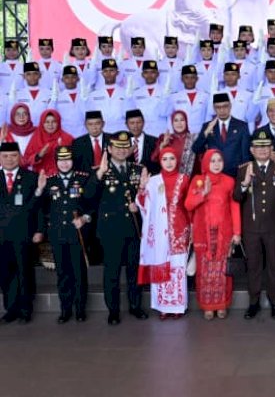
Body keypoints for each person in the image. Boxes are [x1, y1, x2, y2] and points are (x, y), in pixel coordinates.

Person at [89, 131, 148, 325]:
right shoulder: (100, 170)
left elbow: (148, 200)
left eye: (125, 147)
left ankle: (135, 306)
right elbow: (88, 197)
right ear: (110, 149)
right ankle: (113, 310)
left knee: (133, 271)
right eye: (118, 147)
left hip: (133, 229)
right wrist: (98, 175)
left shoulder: (138, 170)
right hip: (111, 230)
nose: (122, 151)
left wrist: (140, 202)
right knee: (112, 272)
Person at [233, 130, 275, 320]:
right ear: (252, 149)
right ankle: (253, 302)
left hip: (273, 227)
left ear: (271, 148)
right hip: (251, 228)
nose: (263, 150)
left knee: (274, 266)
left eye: (266, 146)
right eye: (258, 147)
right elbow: (236, 198)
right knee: (254, 266)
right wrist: (245, 183)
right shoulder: (244, 169)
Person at [185, 149, 241, 320]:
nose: (216, 164)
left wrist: (237, 232)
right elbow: (188, 205)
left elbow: (234, 207)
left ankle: (222, 304)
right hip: (204, 234)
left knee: (222, 271)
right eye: (212, 161)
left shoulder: (229, 181)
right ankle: (207, 306)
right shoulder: (198, 181)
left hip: (224, 233)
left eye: (219, 160)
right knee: (205, 271)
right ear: (206, 163)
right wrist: (203, 193)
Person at [135, 147, 191, 320]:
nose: (168, 162)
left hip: (179, 230)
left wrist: (193, 227)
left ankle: (178, 306)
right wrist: (142, 189)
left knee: (177, 269)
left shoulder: (185, 179)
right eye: (165, 159)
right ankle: (163, 306)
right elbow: (144, 204)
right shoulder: (153, 181)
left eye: (172, 158)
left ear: (177, 160)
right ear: (160, 161)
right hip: (159, 233)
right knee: (160, 266)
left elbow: (189, 206)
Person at [42, 146, 95, 323]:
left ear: (73, 161)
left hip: (77, 235)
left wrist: (85, 218)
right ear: (56, 162)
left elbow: (93, 205)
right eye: (61, 160)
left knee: (79, 273)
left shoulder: (83, 179)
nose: (64, 163)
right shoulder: (49, 181)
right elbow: (41, 208)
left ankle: (80, 309)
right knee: (63, 274)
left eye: (68, 159)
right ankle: (65, 310)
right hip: (58, 235)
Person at [0, 142, 43, 323]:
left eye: (13, 156)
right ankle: (11, 309)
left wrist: (40, 230)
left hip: (24, 233)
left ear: (20, 157)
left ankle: (26, 309)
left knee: (24, 271)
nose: (10, 159)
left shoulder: (31, 177)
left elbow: (39, 208)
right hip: (1, 236)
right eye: (5, 156)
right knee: (5, 273)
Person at [192, 93, 251, 177]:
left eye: (225, 106)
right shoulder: (207, 126)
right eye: (218, 107)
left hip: (235, 175)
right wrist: (205, 133)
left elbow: (245, 154)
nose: (222, 110)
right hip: (214, 175)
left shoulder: (241, 126)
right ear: (214, 108)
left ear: (230, 106)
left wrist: (243, 173)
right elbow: (196, 149)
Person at [22, 109, 74, 175]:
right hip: (40, 177)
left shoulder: (67, 138)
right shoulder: (36, 137)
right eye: (47, 122)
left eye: (54, 122)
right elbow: (26, 160)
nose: (50, 125)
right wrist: (39, 155)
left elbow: (76, 159)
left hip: (62, 177)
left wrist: (62, 150)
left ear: (58, 122)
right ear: (42, 123)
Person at [152, 110, 198, 176]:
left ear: (186, 122)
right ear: (172, 123)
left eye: (182, 120)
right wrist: (162, 145)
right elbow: (154, 159)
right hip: (171, 178)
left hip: (190, 178)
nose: (179, 123)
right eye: (176, 120)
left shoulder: (194, 139)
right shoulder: (165, 138)